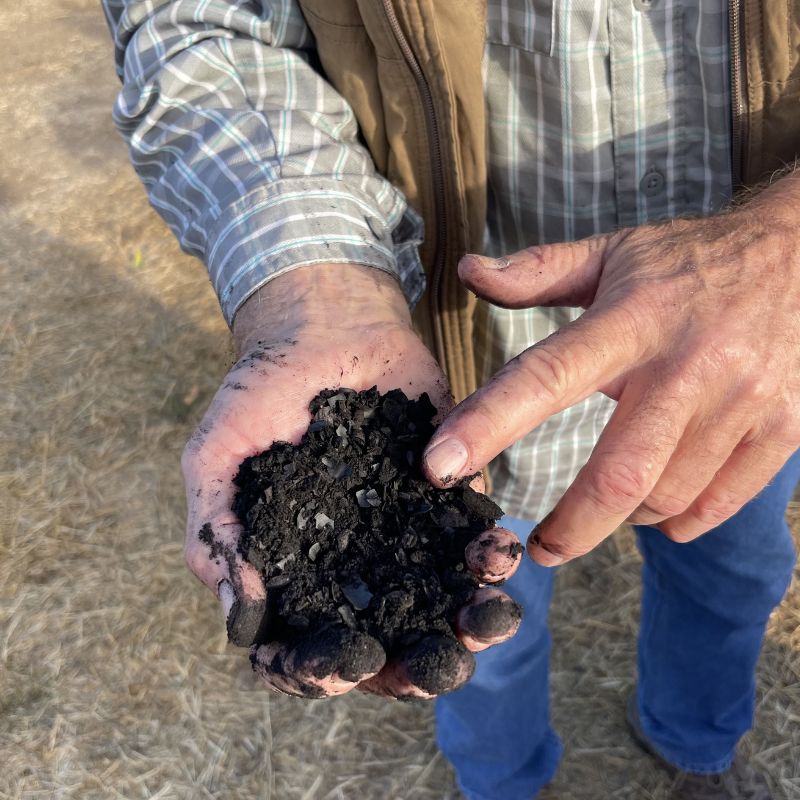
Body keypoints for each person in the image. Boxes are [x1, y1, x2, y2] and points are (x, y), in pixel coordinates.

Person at [103, 1, 800, 798]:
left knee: (731, 576)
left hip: (755, 363)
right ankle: (501, 783)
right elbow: (198, 25)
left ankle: (697, 748)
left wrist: (787, 244)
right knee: (474, 635)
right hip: (457, 381)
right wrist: (318, 288)